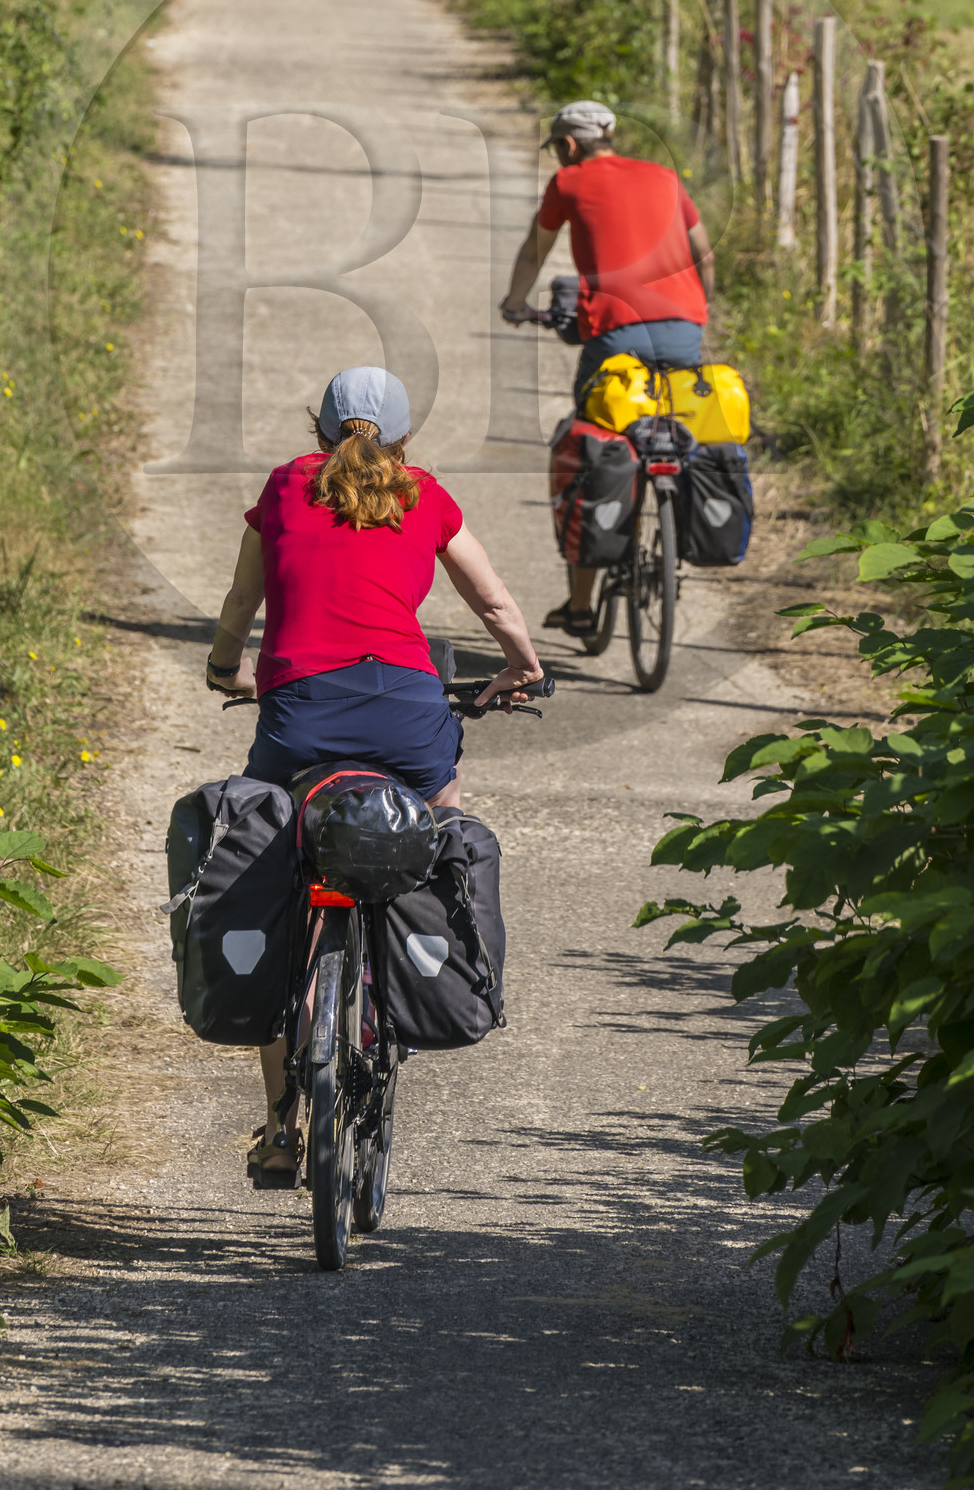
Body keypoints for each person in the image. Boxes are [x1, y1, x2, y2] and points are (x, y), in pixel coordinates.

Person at [204, 363, 543, 1185]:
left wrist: (226, 670)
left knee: (274, 872)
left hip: (300, 715)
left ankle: (284, 1124)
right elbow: (494, 605)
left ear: (317, 431)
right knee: (441, 825)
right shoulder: (424, 493)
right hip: (408, 714)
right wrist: (523, 669)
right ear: (404, 439)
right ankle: (418, 964)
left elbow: (242, 602)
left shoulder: (288, 487)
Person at [499, 98, 714, 638]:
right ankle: (678, 513)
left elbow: (534, 250)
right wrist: (697, 316)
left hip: (615, 337)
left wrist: (515, 302)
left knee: (591, 450)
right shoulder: (665, 176)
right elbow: (703, 253)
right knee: (676, 427)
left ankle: (579, 605)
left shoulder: (569, 183)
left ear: (569, 146)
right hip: (686, 332)